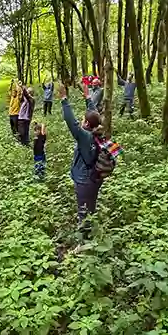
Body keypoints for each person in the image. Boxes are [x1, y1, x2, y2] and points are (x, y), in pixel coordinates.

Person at [59, 83, 105, 237]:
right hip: (95, 178)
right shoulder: (98, 130)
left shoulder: (85, 137)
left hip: (84, 180)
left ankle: (84, 243)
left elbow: (71, 121)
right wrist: (87, 98)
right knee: (90, 207)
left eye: (83, 119)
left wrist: (64, 99)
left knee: (83, 211)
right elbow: (95, 113)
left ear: (86, 123)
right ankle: (90, 233)